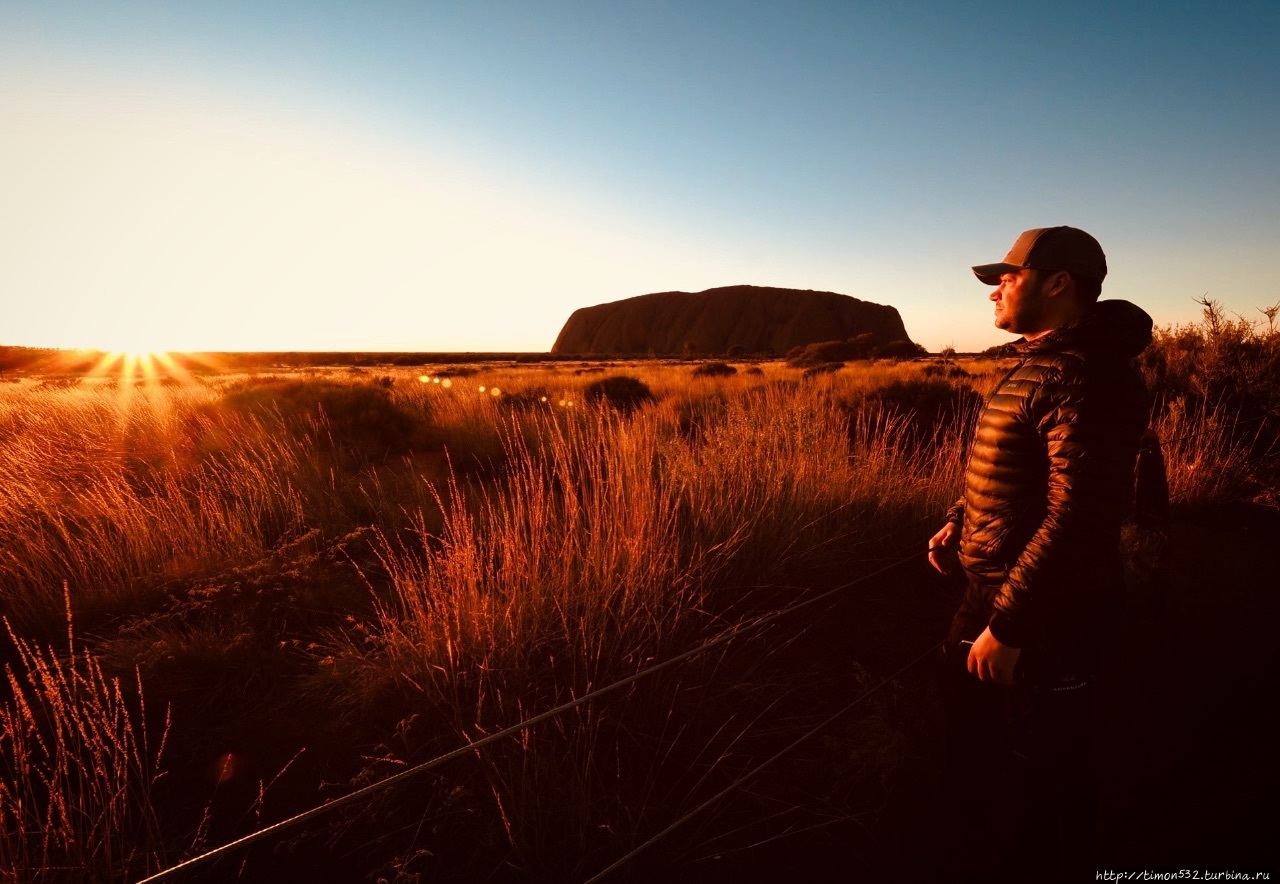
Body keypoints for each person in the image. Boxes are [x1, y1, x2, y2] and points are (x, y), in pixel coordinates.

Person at [927, 226, 1153, 881]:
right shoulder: (1042, 361)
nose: (996, 289)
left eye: (1009, 276)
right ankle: (963, 847)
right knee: (971, 727)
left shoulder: (1090, 373)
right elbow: (1013, 472)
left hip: (1050, 609)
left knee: (1048, 764)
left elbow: (1080, 515)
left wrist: (1011, 624)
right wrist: (960, 524)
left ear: (1058, 283)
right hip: (996, 588)